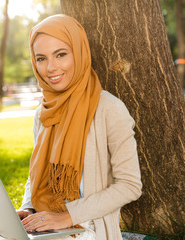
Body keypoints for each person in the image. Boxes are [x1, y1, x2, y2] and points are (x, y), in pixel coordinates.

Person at [16, 14, 142, 240]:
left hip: (88, 230)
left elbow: (130, 185)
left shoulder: (108, 109)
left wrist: (68, 216)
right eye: (41, 58)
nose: (51, 68)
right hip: (47, 225)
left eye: (61, 54)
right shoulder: (43, 112)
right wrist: (29, 209)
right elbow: (37, 176)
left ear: (80, 52)